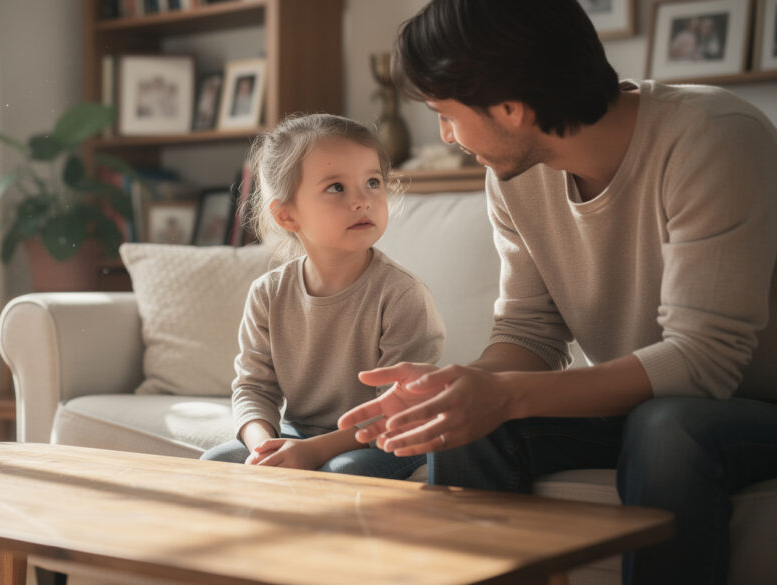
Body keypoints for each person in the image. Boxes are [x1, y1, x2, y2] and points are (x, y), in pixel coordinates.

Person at [337, 1, 777, 584]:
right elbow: (528, 332)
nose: (446, 135)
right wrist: (463, 388)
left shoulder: (712, 138)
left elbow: (705, 361)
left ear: (511, 109)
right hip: (641, 401)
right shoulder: (513, 175)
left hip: (748, 408)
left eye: (445, 114)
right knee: (474, 422)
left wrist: (510, 395)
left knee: (667, 429)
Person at [201, 113, 445, 479]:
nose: (362, 201)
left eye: (373, 182)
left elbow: (396, 408)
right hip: (302, 433)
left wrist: (313, 451)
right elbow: (253, 388)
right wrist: (262, 448)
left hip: (391, 437)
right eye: (336, 187)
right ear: (286, 216)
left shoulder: (402, 295)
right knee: (216, 464)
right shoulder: (267, 294)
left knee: (343, 470)